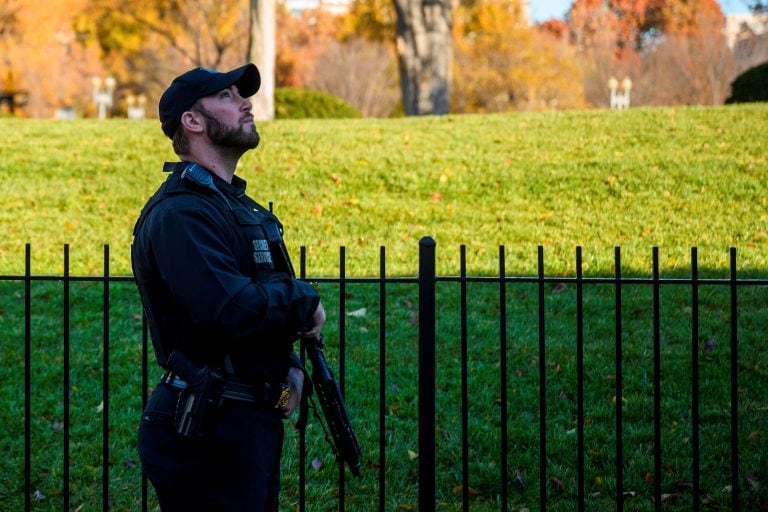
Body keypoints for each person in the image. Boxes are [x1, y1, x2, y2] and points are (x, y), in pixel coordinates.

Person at [131, 63, 326, 512]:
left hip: (243, 424)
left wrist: (291, 370)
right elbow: (229, 308)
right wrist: (304, 300)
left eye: (243, 94)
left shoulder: (235, 208)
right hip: (204, 429)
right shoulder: (181, 214)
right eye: (227, 95)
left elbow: (259, 302)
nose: (246, 103)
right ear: (192, 121)